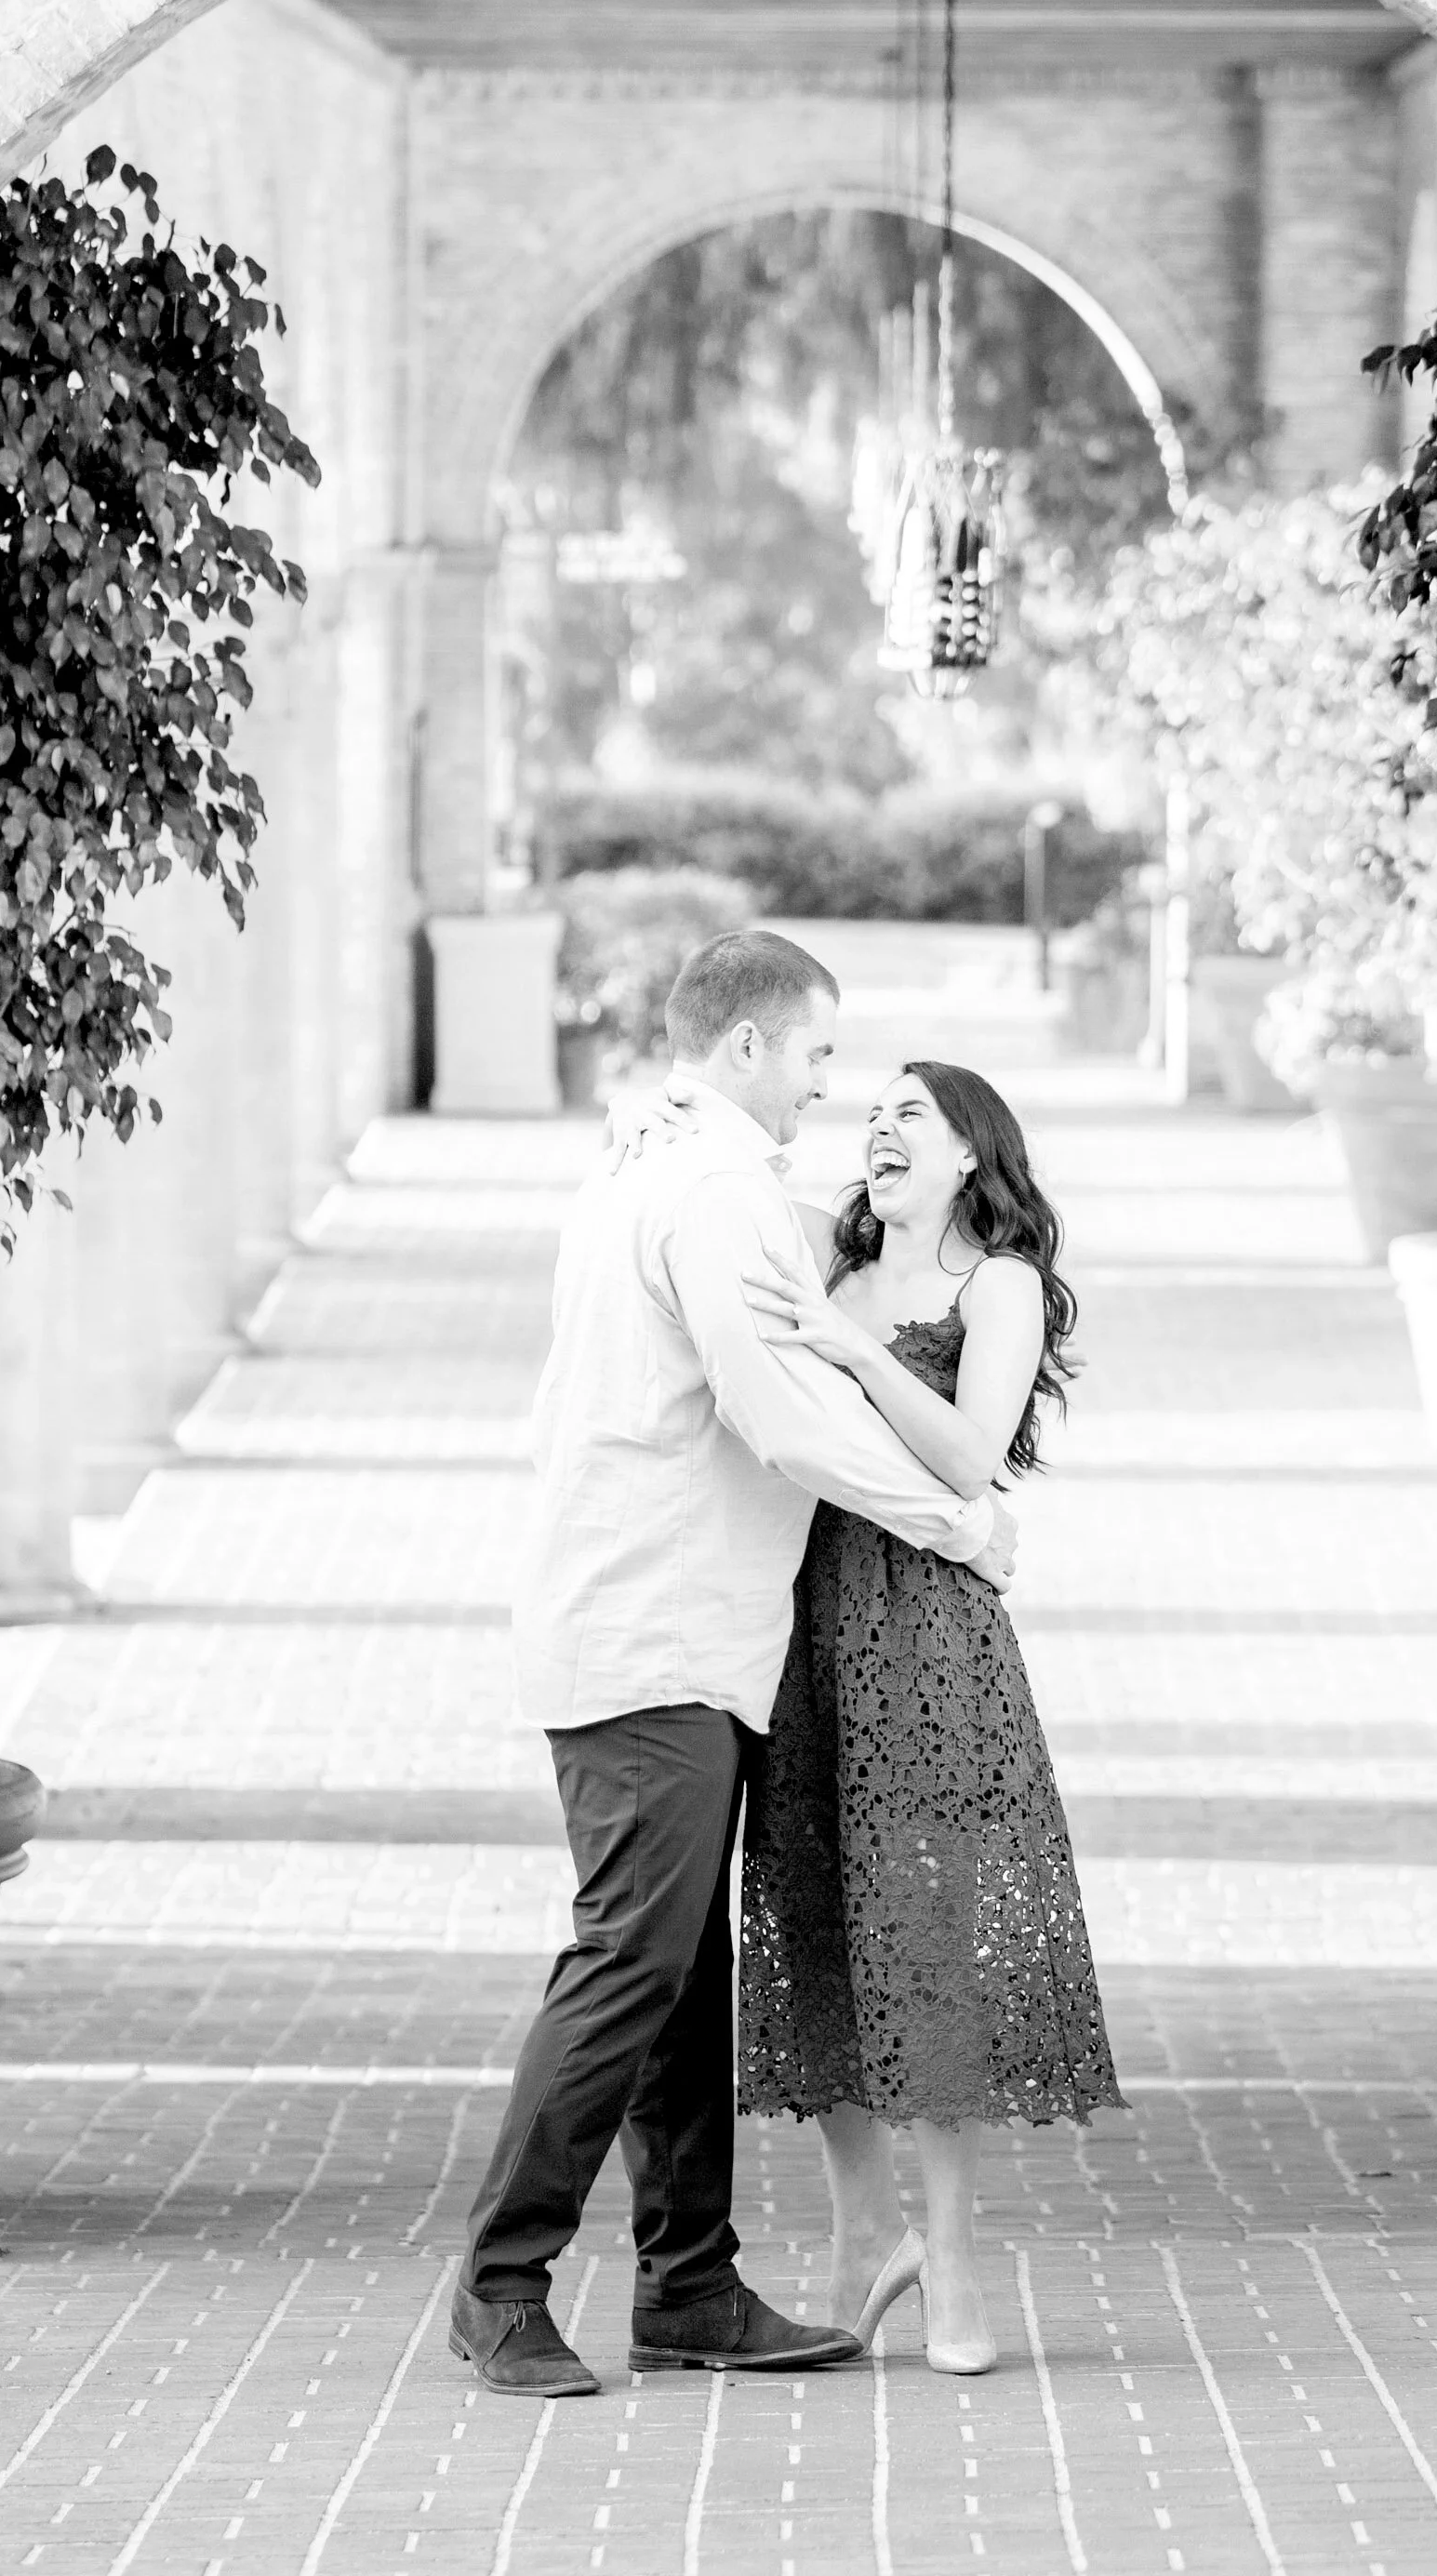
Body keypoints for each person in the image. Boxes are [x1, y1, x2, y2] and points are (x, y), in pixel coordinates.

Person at [448, 936, 1020, 2401]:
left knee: (685, 1978)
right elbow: (779, 1415)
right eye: (822, 1058)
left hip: (683, 1636)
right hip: (651, 1636)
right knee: (630, 1967)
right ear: (753, 1049)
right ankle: (501, 2288)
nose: (831, 1090)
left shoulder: (666, 1165)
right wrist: (954, 1519)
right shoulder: (709, 1189)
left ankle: (690, 2289)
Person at [736, 1059, 1122, 2376]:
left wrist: (847, 1348)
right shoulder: (823, 1268)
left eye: (918, 1113)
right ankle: (863, 2238)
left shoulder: (992, 1284)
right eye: (875, 1113)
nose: (885, 1128)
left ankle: (952, 2262)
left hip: (932, 1641)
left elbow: (968, 1453)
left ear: (972, 1156)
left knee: (928, 1947)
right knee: (815, 1935)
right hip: (804, 1631)